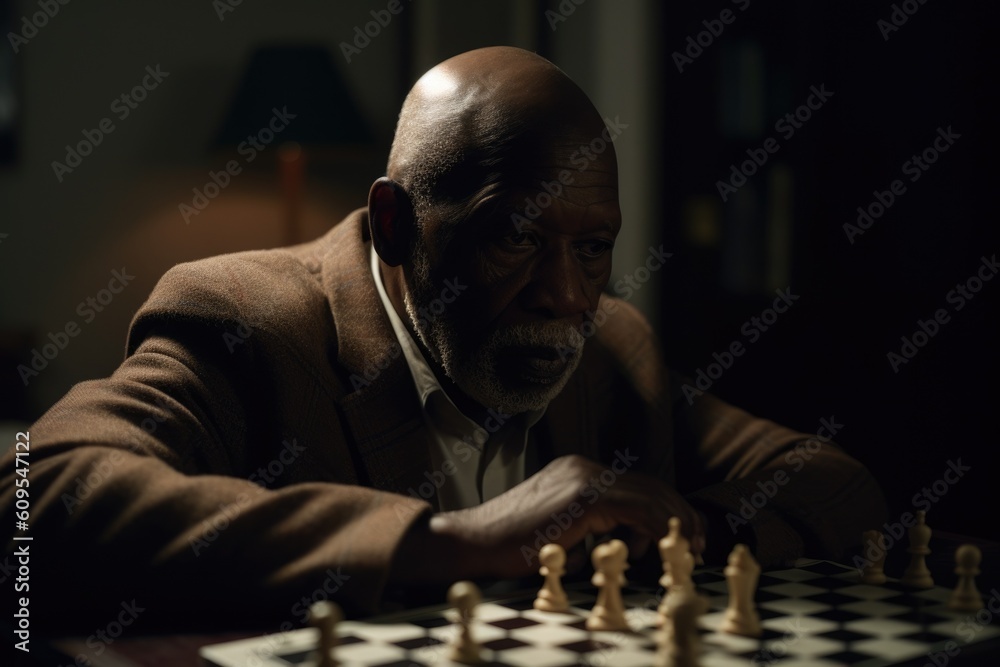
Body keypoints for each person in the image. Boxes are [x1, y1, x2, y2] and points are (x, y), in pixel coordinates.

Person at [0, 47, 885, 633]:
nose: (567, 295)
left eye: (593, 249)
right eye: (516, 237)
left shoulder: (616, 348)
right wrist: (452, 539)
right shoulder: (239, 320)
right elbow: (34, 501)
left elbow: (832, 480)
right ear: (395, 223)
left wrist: (697, 528)